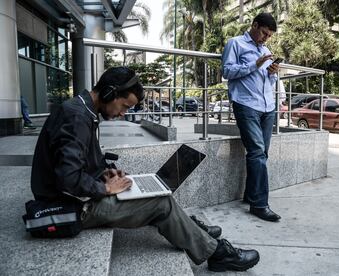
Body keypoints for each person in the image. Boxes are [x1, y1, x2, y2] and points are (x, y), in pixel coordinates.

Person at [30, 66, 260, 272]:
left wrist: (106, 172)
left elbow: (83, 160)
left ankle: (190, 229)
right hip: (71, 206)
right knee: (161, 202)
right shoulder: (77, 117)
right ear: (110, 93)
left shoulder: (83, 111)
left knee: (154, 191)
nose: (124, 113)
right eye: (125, 106)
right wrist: (106, 189)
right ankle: (216, 254)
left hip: (76, 197)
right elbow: (68, 179)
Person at [222, 13, 282, 222]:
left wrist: (272, 73)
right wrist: (254, 65)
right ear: (255, 25)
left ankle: (251, 195)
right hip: (246, 104)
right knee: (257, 152)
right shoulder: (235, 44)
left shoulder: (266, 51)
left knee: (261, 153)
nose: (266, 38)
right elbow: (227, 72)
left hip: (267, 107)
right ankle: (259, 204)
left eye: (269, 36)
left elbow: (266, 81)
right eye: (264, 33)